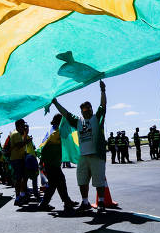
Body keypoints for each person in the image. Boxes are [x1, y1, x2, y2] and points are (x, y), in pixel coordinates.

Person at [52, 80, 108, 212]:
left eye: (88, 108)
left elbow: (103, 105)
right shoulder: (78, 121)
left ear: (91, 109)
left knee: (99, 181)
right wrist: (55, 103)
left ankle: (101, 202)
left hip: (96, 155)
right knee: (82, 180)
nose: (86, 111)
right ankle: (85, 202)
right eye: (84, 109)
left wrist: (103, 91)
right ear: (81, 111)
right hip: (83, 156)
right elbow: (65, 113)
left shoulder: (96, 118)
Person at [35, 114, 77, 213]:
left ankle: (46, 203)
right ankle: (66, 202)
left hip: (52, 163)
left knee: (54, 184)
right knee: (59, 181)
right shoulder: (55, 133)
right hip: (51, 163)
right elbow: (44, 148)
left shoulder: (53, 131)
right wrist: (42, 161)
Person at [6, 119, 33, 206]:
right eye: (23, 125)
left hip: (18, 158)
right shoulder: (16, 134)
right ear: (19, 126)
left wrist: (25, 134)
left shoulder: (17, 133)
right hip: (16, 159)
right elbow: (19, 145)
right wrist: (28, 141)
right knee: (19, 179)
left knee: (23, 178)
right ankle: (18, 197)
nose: (24, 127)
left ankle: (22, 195)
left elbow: (21, 143)